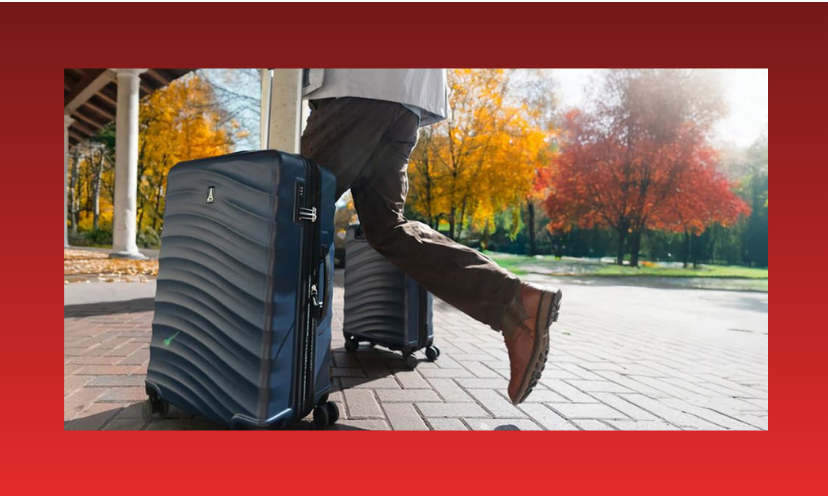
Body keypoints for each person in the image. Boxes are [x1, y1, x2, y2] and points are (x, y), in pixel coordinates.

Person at [301, 69, 562, 405]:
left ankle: (264, 362)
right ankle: (514, 300)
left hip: (354, 85)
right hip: (408, 96)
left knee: (292, 209)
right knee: (385, 227)